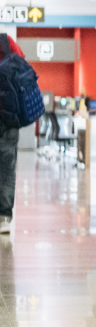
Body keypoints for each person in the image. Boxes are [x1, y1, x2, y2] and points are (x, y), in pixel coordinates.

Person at [0, 33, 26, 235]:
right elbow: (24, 68)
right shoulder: (6, 42)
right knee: (7, 166)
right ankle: (4, 217)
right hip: (8, 115)